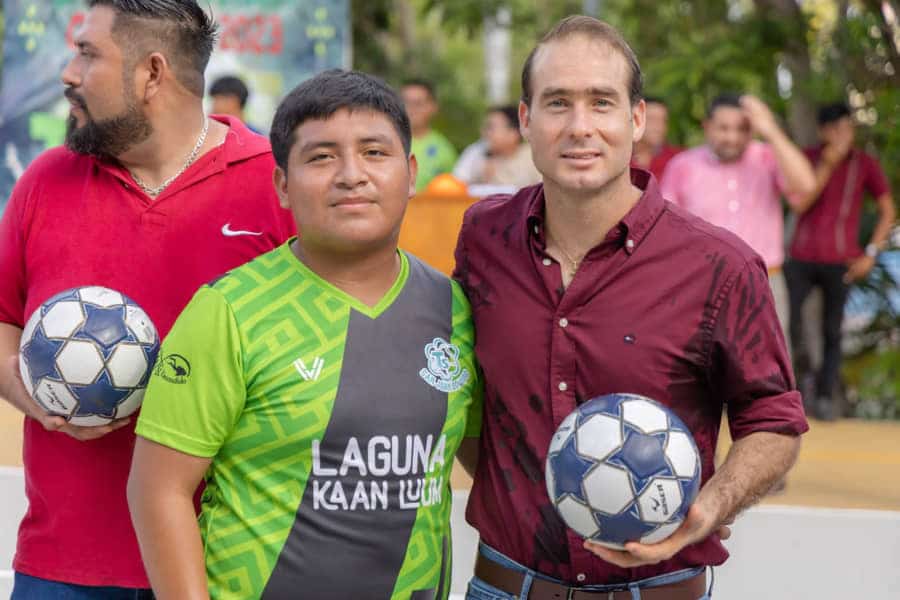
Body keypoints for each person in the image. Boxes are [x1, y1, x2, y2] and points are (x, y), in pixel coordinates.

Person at [453, 16, 807, 599]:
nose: (580, 127)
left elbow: (774, 421)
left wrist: (709, 505)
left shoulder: (720, 266)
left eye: (602, 102)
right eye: (557, 103)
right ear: (526, 119)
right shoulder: (484, 237)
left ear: (636, 119)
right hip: (504, 586)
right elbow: (469, 393)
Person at [127, 69, 483, 600]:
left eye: (374, 153)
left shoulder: (454, 309)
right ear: (283, 186)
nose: (351, 175)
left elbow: (488, 464)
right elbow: (158, 490)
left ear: (410, 174)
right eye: (321, 157)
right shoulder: (229, 310)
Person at [0, 1, 294, 597]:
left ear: (152, 72)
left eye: (88, 53)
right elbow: (3, 319)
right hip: (63, 566)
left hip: (230, 569)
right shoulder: (46, 181)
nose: (68, 75)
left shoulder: (276, 185)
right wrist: (23, 388)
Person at [661, 93, 816, 347]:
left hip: (764, 283)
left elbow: (806, 186)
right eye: (723, 128)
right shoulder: (682, 167)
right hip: (701, 286)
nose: (732, 137)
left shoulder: (767, 157)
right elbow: (665, 231)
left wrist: (771, 131)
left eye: (741, 129)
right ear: (707, 126)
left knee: (772, 371)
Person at [785, 102, 895, 420]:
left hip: (841, 260)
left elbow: (888, 211)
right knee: (787, 325)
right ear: (822, 131)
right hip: (801, 258)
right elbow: (801, 203)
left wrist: (870, 254)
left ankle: (824, 396)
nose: (841, 135)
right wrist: (827, 167)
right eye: (834, 129)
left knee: (833, 330)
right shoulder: (807, 158)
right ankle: (791, 391)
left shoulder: (866, 165)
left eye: (846, 128)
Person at [401, 79, 458, 193]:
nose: (411, 109)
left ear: (433, 107)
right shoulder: (384, 142)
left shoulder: (444, 150)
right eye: (406, 103)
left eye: (418, 104)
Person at [469, 105, 541, 190]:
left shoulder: (535, 158)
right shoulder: (479, 154)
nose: (484, 132)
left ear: (513, 133)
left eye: (491, 127)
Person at [630, 96, 680, 180]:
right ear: (635, 120)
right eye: (652, 120)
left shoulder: (678, 159)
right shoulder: (618, 159)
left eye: (663, 120)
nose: (658, 127)